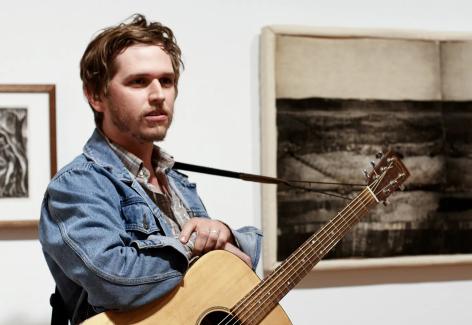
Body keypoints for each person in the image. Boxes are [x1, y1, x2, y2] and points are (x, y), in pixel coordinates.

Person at [39, 14, 262, 325]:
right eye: (139, 82)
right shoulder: (77, 185)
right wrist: (191, 248)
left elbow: (219, 277)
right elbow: (112, 279)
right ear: (96, 95)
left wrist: (225, 235)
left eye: (166, 81)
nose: (159, 95)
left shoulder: (177, 182)